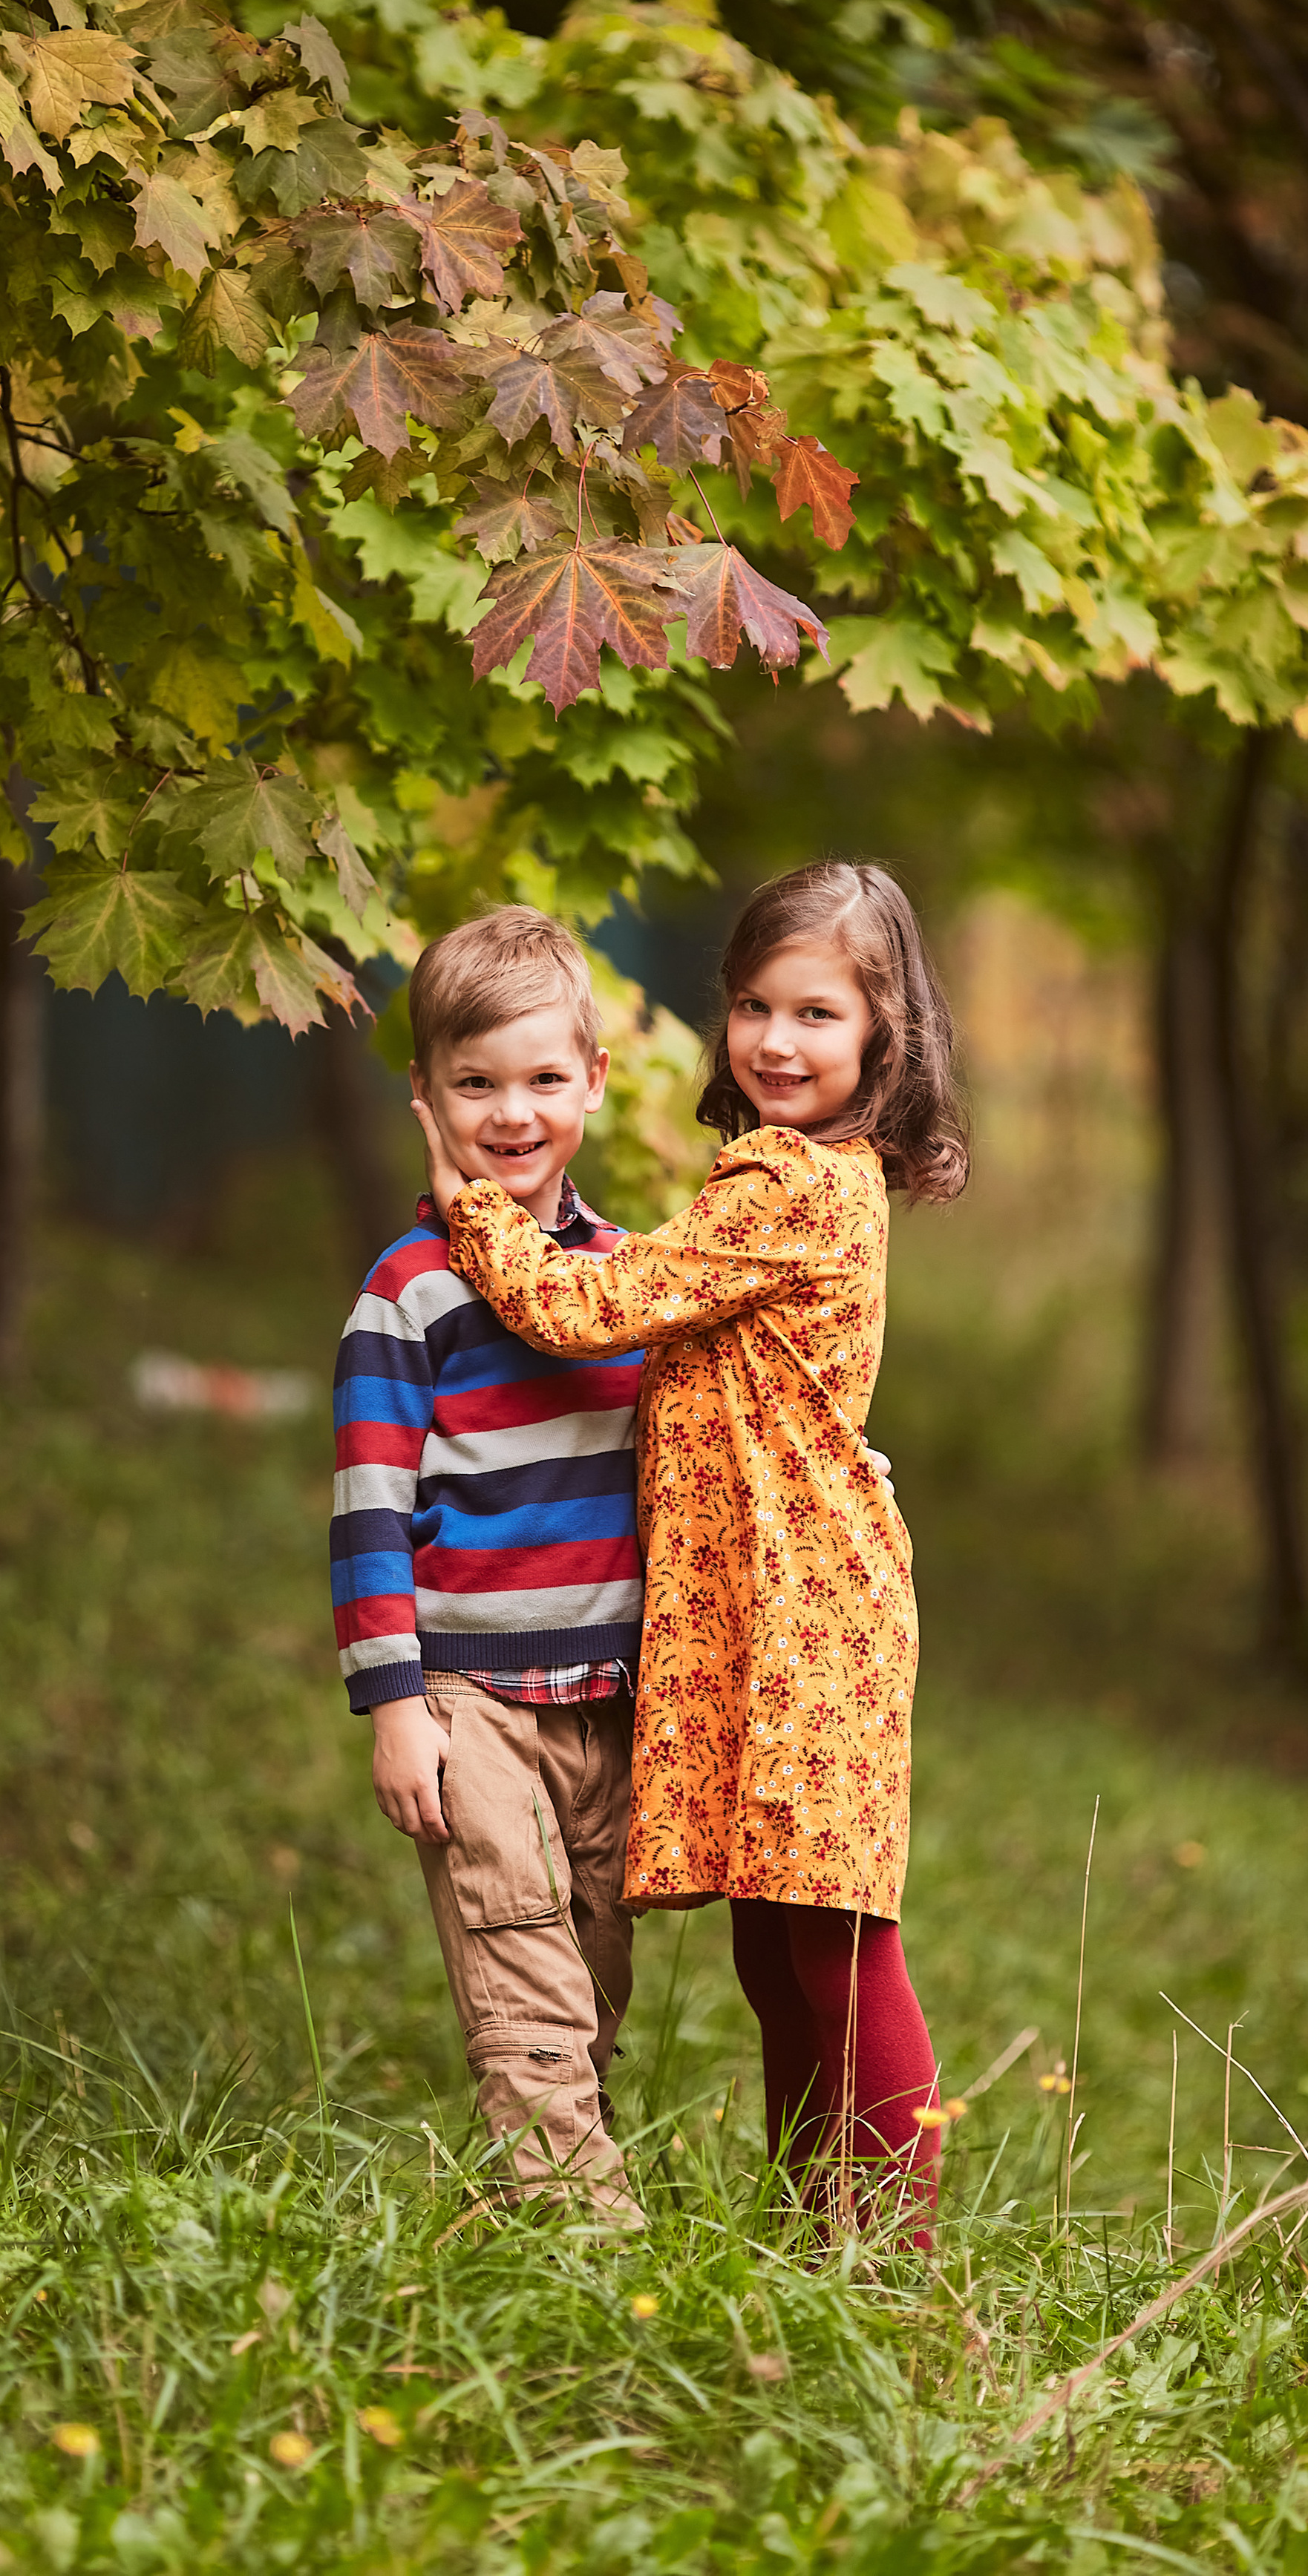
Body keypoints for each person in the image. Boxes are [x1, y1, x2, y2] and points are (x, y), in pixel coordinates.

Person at [410, 861, 969, 2244]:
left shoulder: (793, 1184)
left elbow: (592, 1308)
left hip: (808, 1605)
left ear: (883, 1038)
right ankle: (808, 2228)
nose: (778, 1041)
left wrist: (468, 1204)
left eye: (819, 1014)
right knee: (773, 1947)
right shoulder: (782, 1174)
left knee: (833, 1934)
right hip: (764, 1593)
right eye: (753, 1006)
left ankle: (892, 2249)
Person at [330, 906, 645, 2217]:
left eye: (542, 1080)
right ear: (425, 1095)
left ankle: (522, 2208)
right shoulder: (409, 1294)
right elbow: (367, 1510)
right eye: (475, 1085)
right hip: (472, 1703)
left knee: (586, 1977)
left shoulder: (632, 1280)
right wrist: (398, 1707)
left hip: (613, 1703)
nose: (512, 1114)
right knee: (521, 1977)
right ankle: (594, 2253)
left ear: (594, 1082)